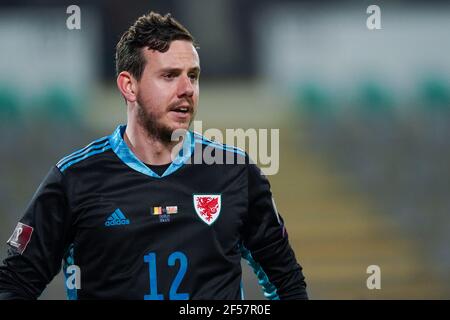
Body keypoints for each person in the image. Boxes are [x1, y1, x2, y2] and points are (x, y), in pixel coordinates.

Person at [0, 11, 308, 300]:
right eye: (170, 75)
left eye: (193, 75)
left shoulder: (236, 172)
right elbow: (14, 284)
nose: (187, 88)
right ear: (129, 86)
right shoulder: (74, 179)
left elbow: (287, 283)